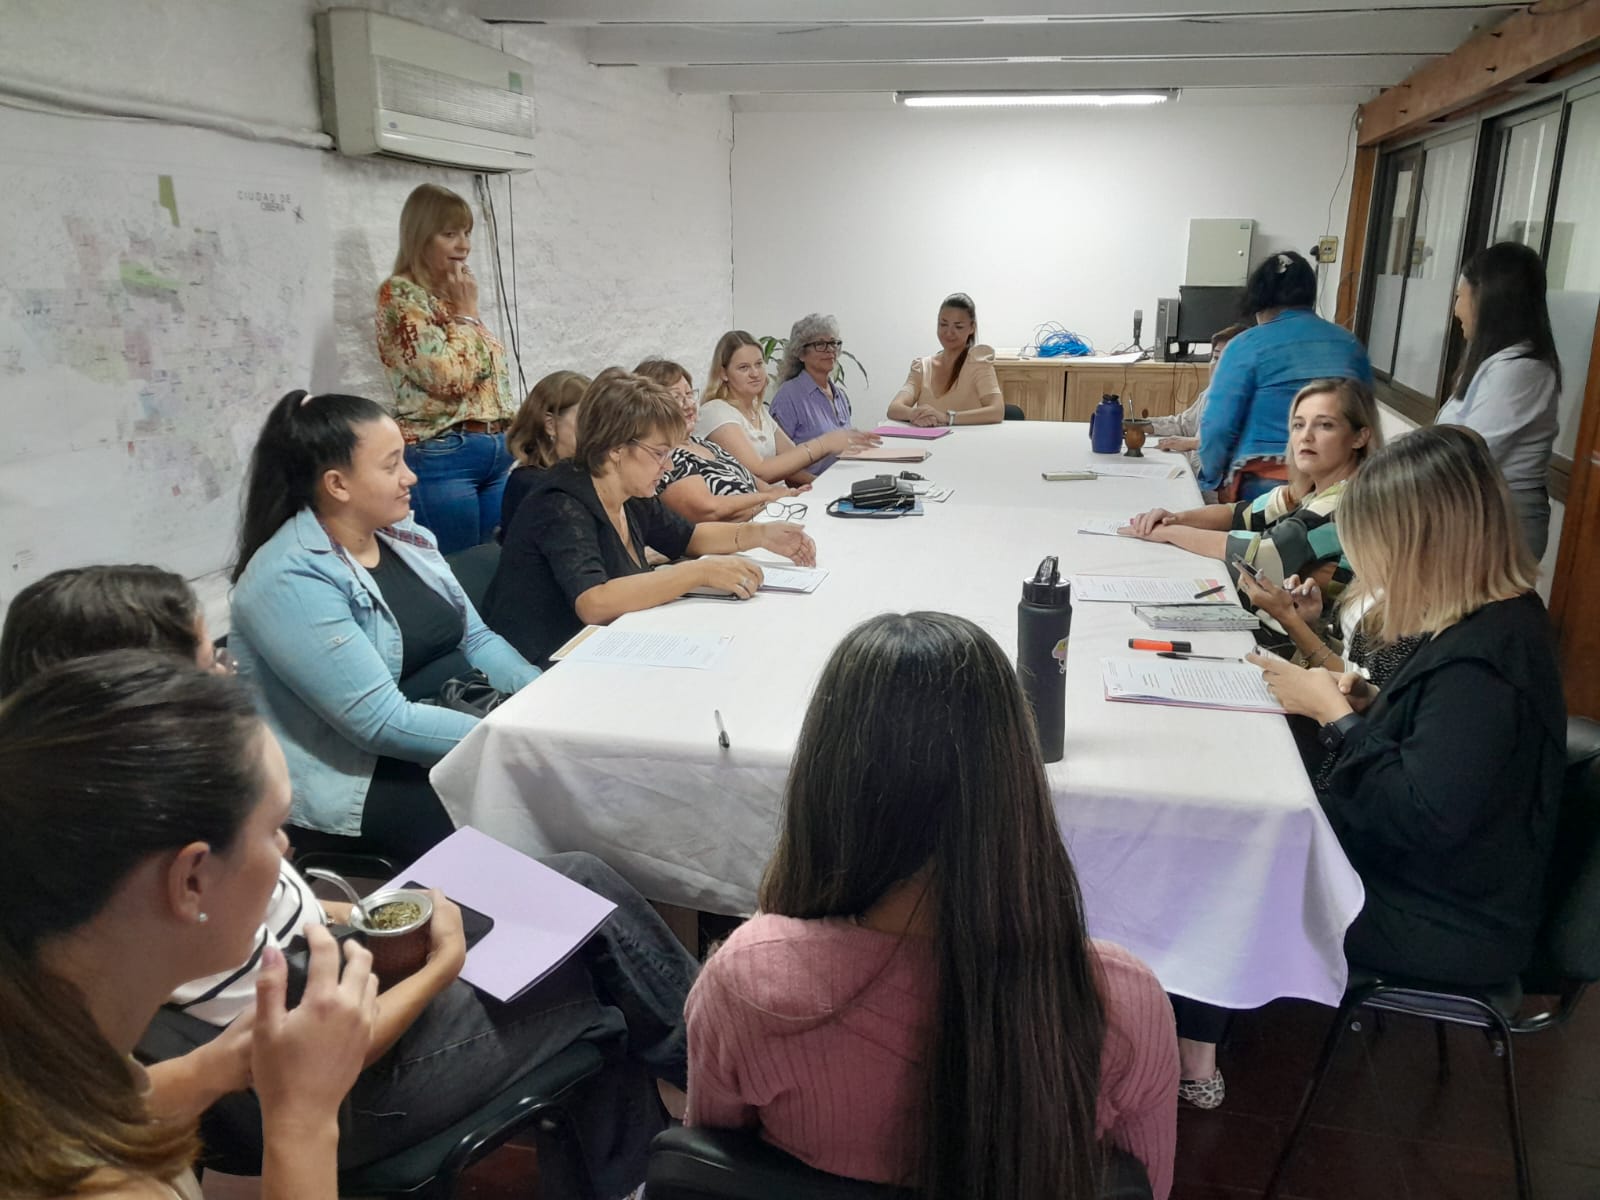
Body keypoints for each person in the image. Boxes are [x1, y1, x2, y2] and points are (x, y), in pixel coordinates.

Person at [0, 565, 701, 1197]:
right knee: (595, 974)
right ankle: (714, 1105)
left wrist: (240, 1059)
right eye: (275, 830)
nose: (288, 853)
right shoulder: (93, 1169)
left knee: (573, 897)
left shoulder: (77, 992)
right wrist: (303, 1108)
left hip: (325, 1033)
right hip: (345, 1080)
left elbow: (150, 1087)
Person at [685, 612, 1178, 1200]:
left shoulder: (746, 985)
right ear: (1015, 781)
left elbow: (716, 1174)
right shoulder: (1121, 1004)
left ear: (826, 781)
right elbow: (1148, 1185)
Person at [0, 650, 376, 1200]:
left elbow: (103, 1105)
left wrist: (213, 1067)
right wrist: (302, 1123)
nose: (285, 847)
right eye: (272, 827)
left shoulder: (52, 1020)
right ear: (191, 880)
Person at [1252, 423, 1563, 985]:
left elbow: (1423, 815)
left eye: (1376, 551)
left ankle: (1197, 1059)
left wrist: (1337, 717)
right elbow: (1443, 746)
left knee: (1238, 870)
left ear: (1424, 546)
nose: (1372, 571)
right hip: (1422, 881)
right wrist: (1373, 704)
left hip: (1445, 918)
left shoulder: (1487, 658)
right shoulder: (1487, 622)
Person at [229, 390, 540, 863]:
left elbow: (476, 639)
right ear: (338, 484)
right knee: (535, 826)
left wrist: (541, 703)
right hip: (365, 776)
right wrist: (510, 738)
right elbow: (380, 723)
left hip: (460, 725)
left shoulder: (405, 537)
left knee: (575, 793)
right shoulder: (287, 577)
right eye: (392, 464)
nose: (410, 476)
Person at [487, 372, 818, 667]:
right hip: (542, 668)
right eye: (659, 453)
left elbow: (688, 537)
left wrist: (759, 535)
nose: (669, 466)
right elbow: (594, 602)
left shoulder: (629, 491)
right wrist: (697, 571)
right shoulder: (560, 503)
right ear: (616, 448)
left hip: (606, 647)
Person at [1125, 379, 1382, 620]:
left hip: (1318, 643)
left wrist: (1169, 532)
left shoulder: (1347, 501)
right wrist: (1175, 517)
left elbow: (1262, 554)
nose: (1306, 436)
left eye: (1325, 425)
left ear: (1360, 437)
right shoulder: (1313, 489)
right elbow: (1243, 514)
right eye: (1298, 424)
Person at [375, 183, 517, 554]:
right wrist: (467, 315)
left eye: (467, 233)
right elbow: (448, 376)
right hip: (445, 452)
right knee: (462, 567)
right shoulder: (401, 295)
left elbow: (492, 377)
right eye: (449, 233)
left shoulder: (452, 297)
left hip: (495, 451)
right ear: (420, 238)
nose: (464, 245)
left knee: (496, 562)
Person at [1198, 251, 1372, 502]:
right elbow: (1366, 418)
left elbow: (1217, 424)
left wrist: (1210, 477)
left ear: (1258, 299)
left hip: (1268, 484)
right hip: (1340, 487)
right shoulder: (1350, 343)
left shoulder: (1246, 345)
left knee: (1253, 541)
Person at [1437, 241, 1563, 559]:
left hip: (1500, 525)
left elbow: (1467, 452)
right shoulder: (1497, 363)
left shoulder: (1522, 369)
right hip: (1474, 514)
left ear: (1486, 298)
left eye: (1458, 297)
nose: (1455, 310)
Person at [635, 357, 805, 523]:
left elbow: (763, 486)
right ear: (653, 407)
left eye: (689, 394)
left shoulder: (705, 445)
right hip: (732, 542)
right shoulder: (667, 458)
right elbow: (709, 510)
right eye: (676, 397)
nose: (688, 404)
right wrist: (769, 501)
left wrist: (792, 495)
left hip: (767, 520)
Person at [697, 330, 877, 485]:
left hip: (778, 502)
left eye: (759, 364)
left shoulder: (757, 409)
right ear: (723, 373)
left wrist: (820, 484)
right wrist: (826, 443)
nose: (755, 373)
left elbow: (793, 459)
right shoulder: (715, 411)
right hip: (753, 513)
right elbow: (759, 471)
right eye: (744, 367)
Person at [769, 314, 879, 471]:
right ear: (800, 353)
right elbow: (780, 463)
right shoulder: (788, 397)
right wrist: (814, 485)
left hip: (844, 478)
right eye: (820, 344)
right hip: (812, 487)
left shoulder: (840, 395)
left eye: (833, 343)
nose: (830, 350)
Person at [1149, 321, 1251, 489]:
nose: (1217, 365)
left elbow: (1237, 444)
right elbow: (1183, 424)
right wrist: (1144, 425)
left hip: (1219, 493)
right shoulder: (1211, 392)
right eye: (1215, 357)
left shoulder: (1251, 398)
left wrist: (1191, 443)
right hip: (1193, 477)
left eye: (1226, 360)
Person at [885, 293, 1005, 427]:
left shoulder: (978, 362)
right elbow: (894, 408)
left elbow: (997, 411)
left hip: (968, 443)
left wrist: (946, 417)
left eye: (958, 326)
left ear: (972, 328)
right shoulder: (922, 367)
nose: (949, 332)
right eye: (943, 324)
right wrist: (913, 414)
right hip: (927, 444)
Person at [500, 368, 592, 537]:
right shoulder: (531, 484)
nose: (594, 428)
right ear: (550, 425)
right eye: (585, 419)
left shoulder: (579, 472)